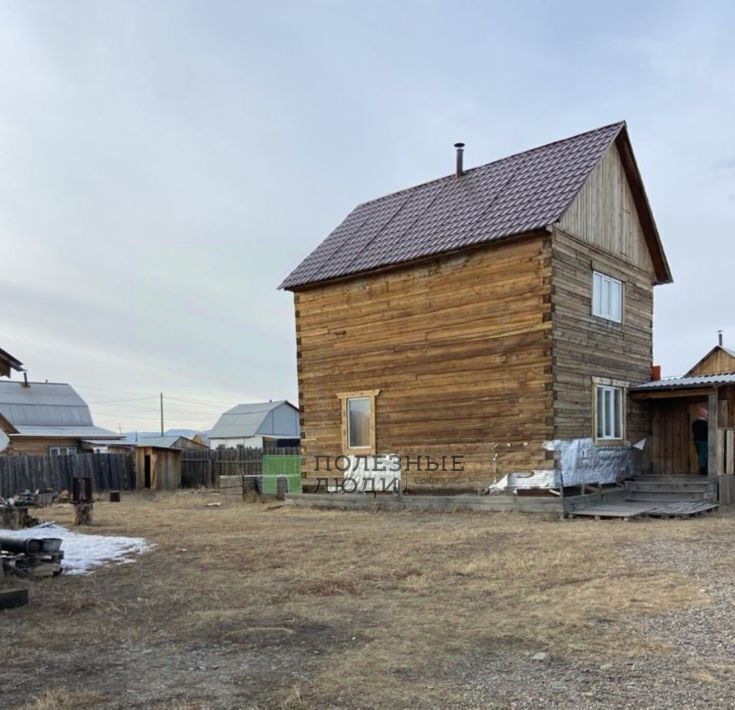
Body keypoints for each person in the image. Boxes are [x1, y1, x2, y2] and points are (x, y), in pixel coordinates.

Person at [692, 408, 709, 476]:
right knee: (703, 456)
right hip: (704, 441)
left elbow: (694, 432)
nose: (707, 415)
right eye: (707, 414)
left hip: (696, 441)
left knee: (700, 455)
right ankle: (703, 471)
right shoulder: (705, 423)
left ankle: (703, 470)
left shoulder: (694, 423)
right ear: (703, 414)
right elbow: (708, 432)